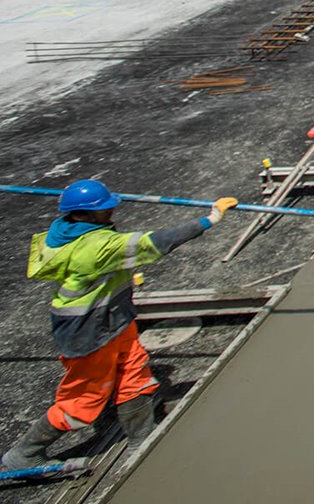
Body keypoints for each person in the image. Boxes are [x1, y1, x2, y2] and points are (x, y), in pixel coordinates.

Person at [1, 180, 237, 470]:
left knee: (133, 377)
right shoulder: (98, 247)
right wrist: (211, 217)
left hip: (114, 321)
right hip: (88, 333)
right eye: (105, 207)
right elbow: (157, 243)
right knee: (81, 402)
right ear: (87, 214)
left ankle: (142, 440)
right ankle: (23, 455)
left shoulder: (66, 230)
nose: (112, 209)